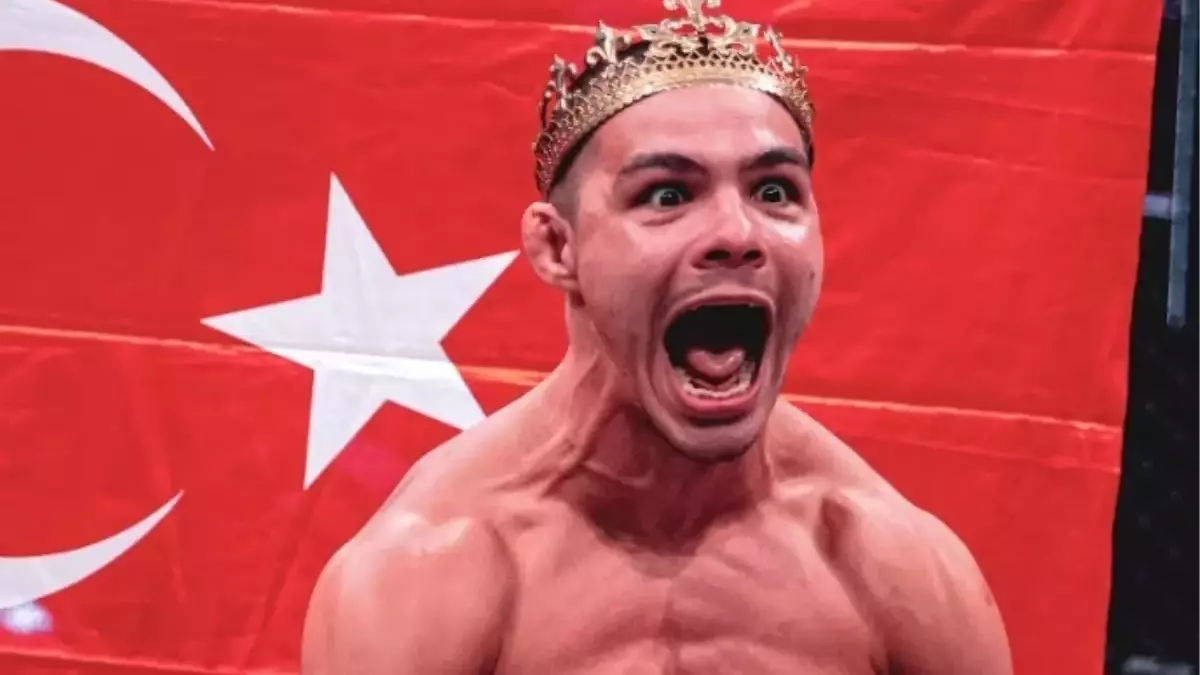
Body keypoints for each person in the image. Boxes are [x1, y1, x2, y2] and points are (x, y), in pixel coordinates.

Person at [301, 1, 1013, 672]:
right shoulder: (433, 569)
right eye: (667, 195)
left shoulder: (889, 564)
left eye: (774, 191)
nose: (737, 232)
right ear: (558, 248)